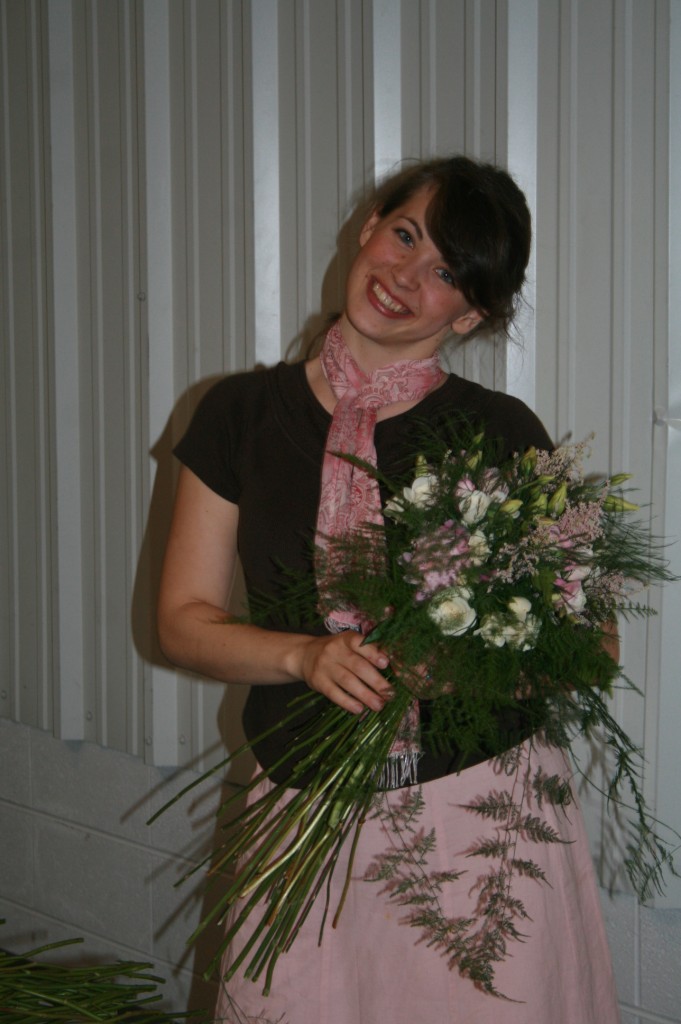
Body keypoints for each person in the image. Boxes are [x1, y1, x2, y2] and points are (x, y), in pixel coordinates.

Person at [158, 156, 621, 1023]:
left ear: (472, 311)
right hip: (303, 811)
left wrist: (466, 671)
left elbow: (592, 648)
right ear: (368, 225)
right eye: (403, 235)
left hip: (480, 824)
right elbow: (180, 624)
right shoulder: (238, 415)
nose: (406, 277)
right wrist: (301, 655)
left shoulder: (502, 432)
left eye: (445, 271)